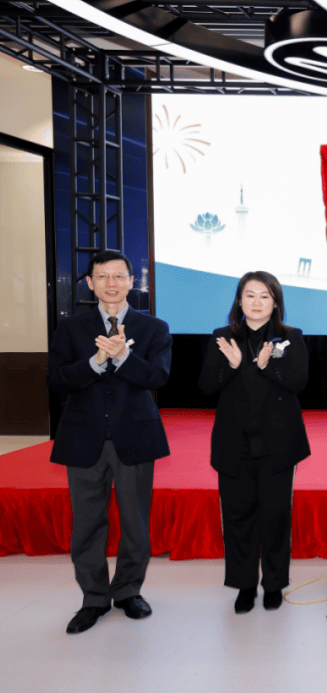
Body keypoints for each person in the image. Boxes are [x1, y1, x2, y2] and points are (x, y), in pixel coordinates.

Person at [46, 250, 172, 634]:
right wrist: (96, 361)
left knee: (135, 521)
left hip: (135, 435)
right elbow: (57, 380)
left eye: (119, 276)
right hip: (83, 436)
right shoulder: (71, 328)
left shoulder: (154, 328)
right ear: (90, 283)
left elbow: (158, 378)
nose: (111, 283)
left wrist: (125, 357)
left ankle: (129, 591)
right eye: (103, 276)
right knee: (86, 523)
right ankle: (94, 598)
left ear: (132, 282)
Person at [199, 271, 310, 614]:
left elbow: (299, 382)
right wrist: (232, 366)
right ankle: (244, 585)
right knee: (238, 517)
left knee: (275, 516)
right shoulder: (222, 337)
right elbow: (206, 386)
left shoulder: (290, 337)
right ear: (239, 300)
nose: (257, 302)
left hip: (277, 444)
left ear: (275, 303)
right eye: (250, 295)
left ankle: (274, 583)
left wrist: (265, 366)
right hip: (235, 443)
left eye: (265, 296)